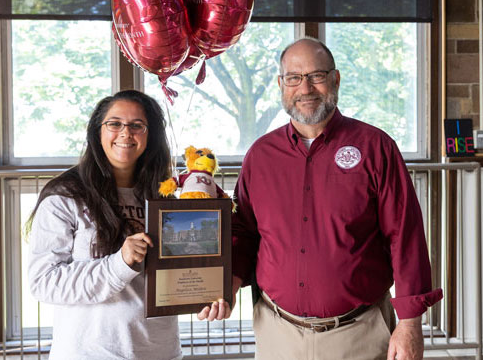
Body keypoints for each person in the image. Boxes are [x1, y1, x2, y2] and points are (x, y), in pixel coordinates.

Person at [198, 38, 442, 360]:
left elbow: (404, 237)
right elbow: (245, 232)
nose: (305, 88)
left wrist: (410, 324)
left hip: (360, 333)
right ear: (281, 84)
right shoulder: (260, 156)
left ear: (336, 79)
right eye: (294, 78)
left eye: (317, 76)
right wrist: (230, 281)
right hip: (277, 333)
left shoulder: (376, 148)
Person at [26, 89, 182, 360]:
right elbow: (44, 282)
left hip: (161, 351)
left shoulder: (164, 195)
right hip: (89, 353)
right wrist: (119, 264)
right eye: (115, 124)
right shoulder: (65, 196)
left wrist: (209, 291)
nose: (126, 133)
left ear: (150, 135)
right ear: (97, 132)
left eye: (137, 126)